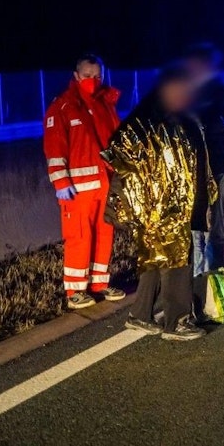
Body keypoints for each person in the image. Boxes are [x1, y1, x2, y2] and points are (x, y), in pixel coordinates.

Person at [103, 66, 216, 341]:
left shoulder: (179, 117)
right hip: (163, 208)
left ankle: (139, 315)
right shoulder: (150, 119)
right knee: (176, 261)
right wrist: (141, 198)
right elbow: (119, 151)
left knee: (155, 260)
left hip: (171, 205)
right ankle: (177, 323)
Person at [43, 53, 126, 309]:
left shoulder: (105, 104)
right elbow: (54, 148)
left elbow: (116, 143)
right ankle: (75, 290)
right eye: (88, 76)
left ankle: (99, 283)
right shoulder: (63, 107)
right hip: (77, 190)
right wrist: (61, 182)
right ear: (76, 75)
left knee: (105, 233)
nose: (94, 80)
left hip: (105, 184)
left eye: (98, 76)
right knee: (79, 236)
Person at [183, 43, 224, 273]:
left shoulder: (215, 90)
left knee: (216, 221)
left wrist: (215, 87)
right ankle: (197, 274)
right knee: (195, 221)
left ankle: (216, 271)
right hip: (192, 169)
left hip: (217, 164)